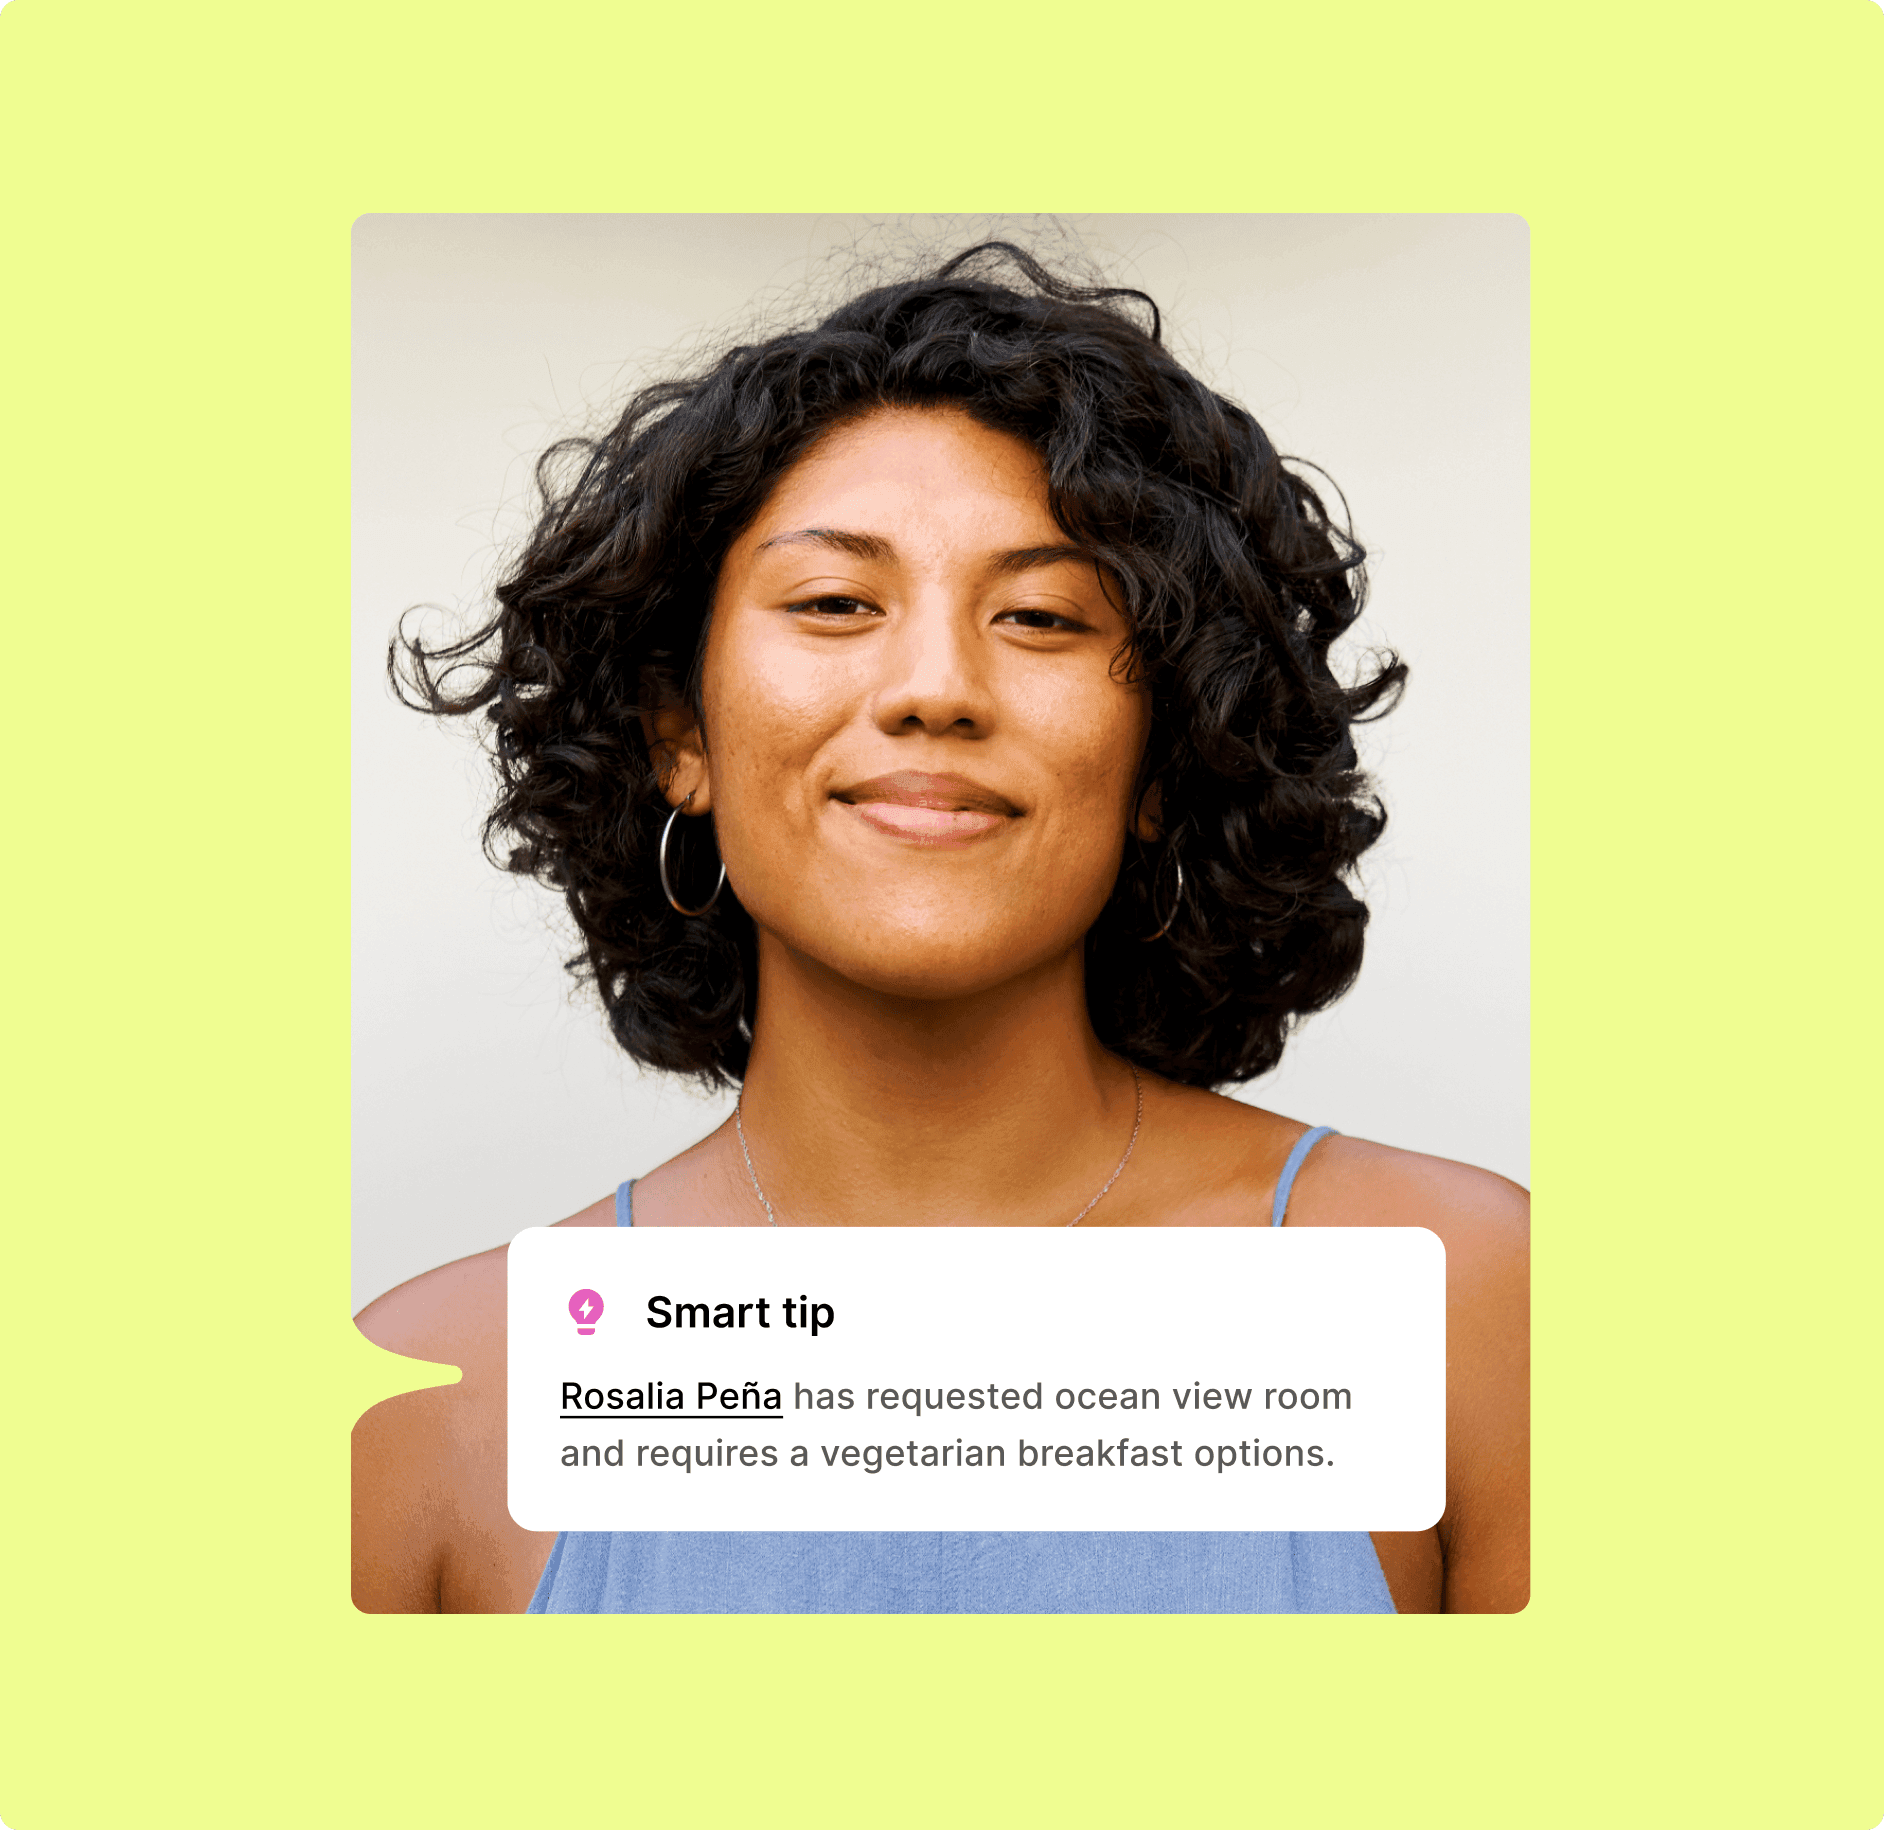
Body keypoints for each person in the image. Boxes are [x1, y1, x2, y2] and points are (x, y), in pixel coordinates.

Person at [352, 243, 1528, 1615]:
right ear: (681, 735)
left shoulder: (1459, 1304)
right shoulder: (432, 1403)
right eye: (835, 604)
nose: (934, 688)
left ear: (1163, 756)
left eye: (1040, 615)